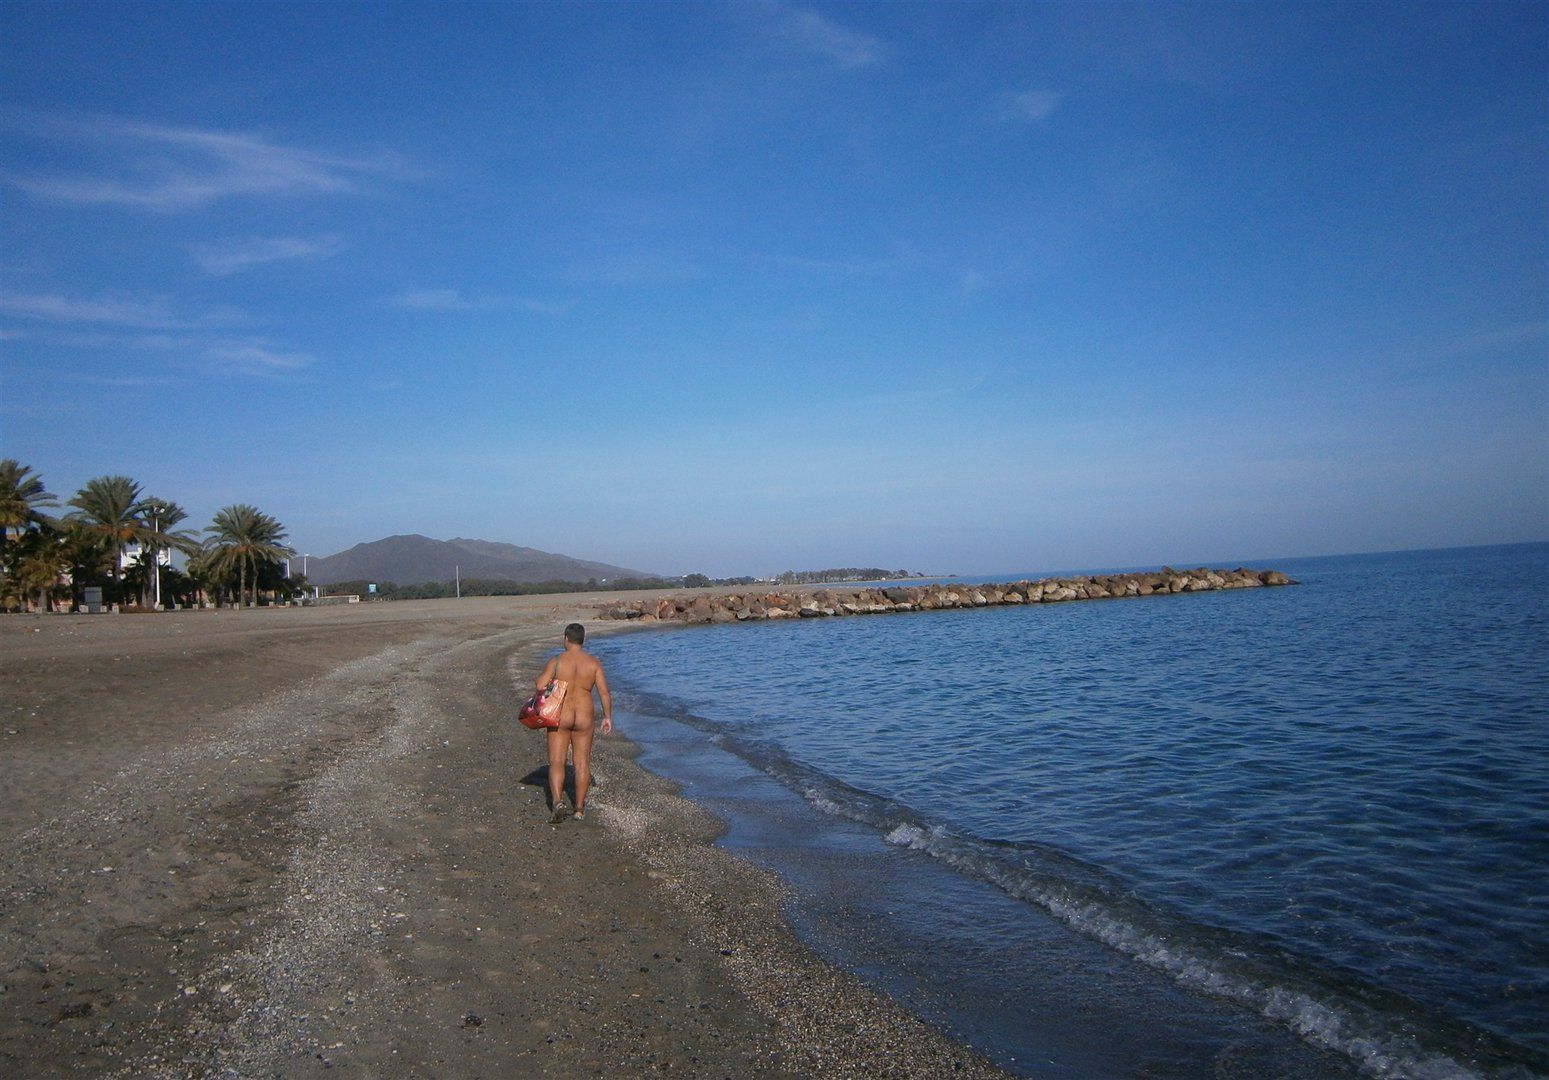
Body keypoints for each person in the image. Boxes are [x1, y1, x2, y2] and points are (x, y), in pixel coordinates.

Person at [536, 622, 612, 823]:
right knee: (581, 763)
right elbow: (604, 692)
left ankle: (558, 802)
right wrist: (607, 717)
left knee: (557, 761)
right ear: (583, 640)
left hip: (562, 715)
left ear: (566, 639)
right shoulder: (593, 663)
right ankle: (579, 808)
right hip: (584, 716)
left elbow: (539, 685)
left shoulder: (558, 660)